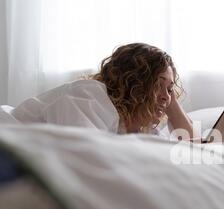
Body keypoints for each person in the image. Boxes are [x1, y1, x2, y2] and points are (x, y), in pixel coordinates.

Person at [10, 43, 197, 139]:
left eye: (171, 89)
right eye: (157, 85)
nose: (166, 97)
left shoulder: (141, 129)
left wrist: (171, 105)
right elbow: (82, 153)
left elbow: (194, 150)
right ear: (133, 83)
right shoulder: (89, 95)